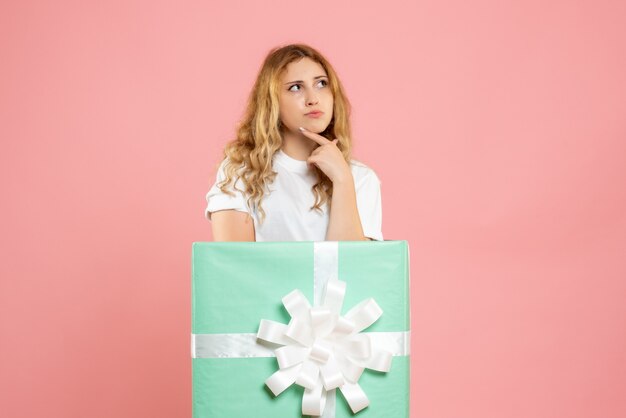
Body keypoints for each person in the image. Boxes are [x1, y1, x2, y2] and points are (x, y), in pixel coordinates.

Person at [204, 43, 383, 242]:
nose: (313, 98)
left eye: (322, 83)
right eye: (296, 87)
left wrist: (342, 181)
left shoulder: (360, 178)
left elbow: (352, 267)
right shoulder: (241, 172)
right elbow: (234, 264)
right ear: (272, 102)